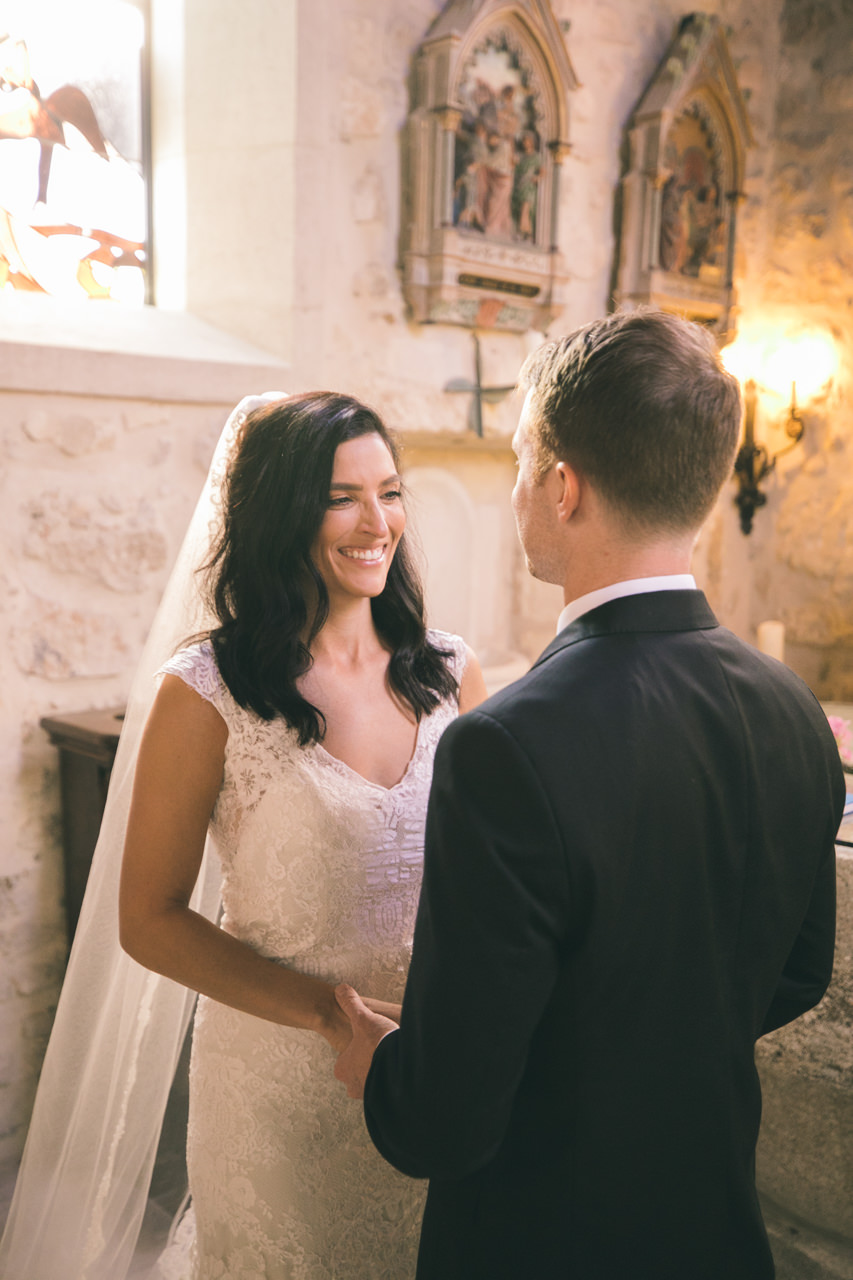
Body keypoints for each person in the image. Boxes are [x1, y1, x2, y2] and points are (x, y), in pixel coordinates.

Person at [333, 310, 843, 1280]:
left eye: (525, 457)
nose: (521, 482)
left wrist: (382, 1072)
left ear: (561, 486)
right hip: (715, 1232)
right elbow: (797, 972)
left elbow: (443, 1120)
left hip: (540, 1238)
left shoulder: (503, 748)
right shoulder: (791, 709)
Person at [0, 391, 486, 1280]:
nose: (376, 522)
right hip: (281, 1091)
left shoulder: (454, 674)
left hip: (431, 1073)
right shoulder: (204, 691)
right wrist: (327, 1018)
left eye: (389, 490)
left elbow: (491, 881)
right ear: (278, 510)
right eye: (340, 497)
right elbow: (148, 919)